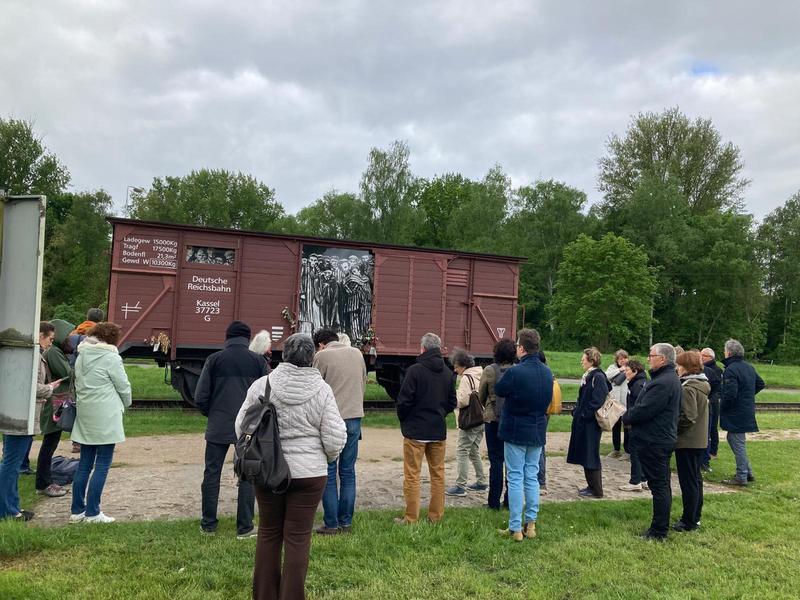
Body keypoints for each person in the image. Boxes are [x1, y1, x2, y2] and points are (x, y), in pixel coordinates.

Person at [236, 333, 346, 600]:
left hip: (267, 470)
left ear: (283, 355)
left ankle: (264, 595)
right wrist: (325, 458)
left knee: (269, 533)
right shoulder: (322, 390)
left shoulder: (262, 386)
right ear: (311, 358)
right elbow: (335, 437)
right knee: (298, 538)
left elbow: (242, 425)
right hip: (309, 475)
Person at [195, 320, 268, 537]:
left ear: (227, 337)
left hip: (218, 424)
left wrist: (213, 413)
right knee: (247, 474)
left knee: (212, 472)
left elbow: (200, 396)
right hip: (248, 427)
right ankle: (244, 526)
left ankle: (208, 524)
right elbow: (266, 395)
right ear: (247, 338)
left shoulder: (214, 360)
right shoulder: (258, 361)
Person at [69, 322, 132, 524]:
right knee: (103, 464)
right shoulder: (111, 357)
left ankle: (77, 510)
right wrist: (127, 402)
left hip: (86, 413)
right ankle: (93, 512)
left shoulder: (81, 355)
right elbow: (123, 385)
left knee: (85, 464)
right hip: (105, 414)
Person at [493, 329, 552, 541]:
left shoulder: (514, 372)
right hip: (537, 429)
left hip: (516, 429)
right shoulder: (547, 372)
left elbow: (499, 390)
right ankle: (531, 524)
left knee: (515, 477)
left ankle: (515, 527)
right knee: (532, 477)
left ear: (521, 348)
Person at [0, 322, 61, 521]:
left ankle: (12, 506)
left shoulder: (30, 355)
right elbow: (31, 386)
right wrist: (50, 388)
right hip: (23, 417)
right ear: (41, 336)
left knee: (12, 463)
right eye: (50, 339)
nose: (50, 344)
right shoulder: (33, 356)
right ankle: (7, 510)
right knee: (11, 464)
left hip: (20, 414)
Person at [394, 333, 457, 525]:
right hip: (437, 430)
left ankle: (411, 518)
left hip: (416, 430)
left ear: (423, 349)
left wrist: (406, 419)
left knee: (412, 475)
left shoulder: (415, 371)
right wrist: (439, 414)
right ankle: (435, 516)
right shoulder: (447, 373)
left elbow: (403, 401)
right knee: (438, 475)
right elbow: (451, 402)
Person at [622, 343, 682, 540]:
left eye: (651, 355)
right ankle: (659, 527)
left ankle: (658, 531)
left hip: (655, 440)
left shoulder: (663, 382)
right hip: (658, 438)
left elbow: (645, 409)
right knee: (660, 485)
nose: (648, 358)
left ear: (662, 359)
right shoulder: (666, 379)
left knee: (659, 486)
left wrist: (627, 416)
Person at [312, 328, 367, 535]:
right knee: (348, 472)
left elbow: (315, 388)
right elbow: (362, 384)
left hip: (331, 420)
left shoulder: (321, 356)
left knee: (328, 471)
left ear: (320, 344)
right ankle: (346, 522)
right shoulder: (356, 354)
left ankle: (331, 523)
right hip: (354, 418)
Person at [35, 318, 76, 493]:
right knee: (50, 443)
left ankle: (44, 480)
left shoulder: (54, 351)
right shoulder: (53, 352)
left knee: (51, 442)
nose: (70, 340)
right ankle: (43, 482)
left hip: (54, 400)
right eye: (67, 336)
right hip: (53, 402)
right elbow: (68, 373)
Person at [673, 350, 710, 532]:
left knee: (689, 482)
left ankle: (689, 520)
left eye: (679, 365)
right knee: (695, 480)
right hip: (699, 440)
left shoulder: (688, 388)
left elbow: (688, 416)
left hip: (688, 441)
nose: (677, 369)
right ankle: (695, 516)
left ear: (686, 367)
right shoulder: (701, 384)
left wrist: (674, 430)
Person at [719, 339, 765, 486]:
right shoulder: (749, 367)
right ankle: (747, 472)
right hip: (745, 409)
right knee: (735, 440)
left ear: (728, 353)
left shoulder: (731, 369)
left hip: (736, 412)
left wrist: (723, 408)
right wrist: (747, 396)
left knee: (737, 442)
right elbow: (760, 383)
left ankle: (742, 475)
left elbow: (730, 394)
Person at [567, 347, 610, 498]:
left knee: (590, 454)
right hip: (584, 422)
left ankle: (597, 490)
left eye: (583, 358)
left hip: (590, 423)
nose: (581, 361)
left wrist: (584, 414)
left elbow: (598, 399)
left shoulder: (597, 376)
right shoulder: (589, 375)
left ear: (592, 360)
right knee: (586, 454)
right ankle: (591, 486)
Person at [478, 339, 516, 510]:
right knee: (511, 462)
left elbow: (481, 395)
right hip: (511, 419)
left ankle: (493, 502)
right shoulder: (517, 370)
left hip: (492, 419)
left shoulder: (489, 370)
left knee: (496, 461)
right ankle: (509, 500)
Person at [446, 349, 487, 497]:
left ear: (463, 365)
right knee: (474, 450)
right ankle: (481, 481)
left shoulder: (465, 378)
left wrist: (453, 398)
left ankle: (460, 485)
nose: (455, 369)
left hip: (470, 421)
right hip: (481, 418)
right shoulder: (481, 374)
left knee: (462, 450)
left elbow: (462, 401)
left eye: (456, 366)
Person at [618, 360, 649, 492]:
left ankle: (635, 481)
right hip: (638, 423)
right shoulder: (638, 382)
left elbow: (638, 407)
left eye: (627, 370)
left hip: (637, 424)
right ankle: (643, 479)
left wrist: (629, 419)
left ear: (635, 371)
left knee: (635, 452)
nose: (625, 373)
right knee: (640, 453)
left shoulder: (637, 385)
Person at [700, 347, 723, 472]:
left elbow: (717, 390)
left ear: (710, 357)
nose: (701, 357)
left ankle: (710, 454)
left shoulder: (715, 371)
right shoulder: (701, 369)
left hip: (710, 405)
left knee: (710, 430)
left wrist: (711, 400)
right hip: (703, 405)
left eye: (704, 355)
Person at [605, 350, 630, 459]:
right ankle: (616, 449)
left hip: (626, 403)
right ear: (617, 360)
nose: (623, 360)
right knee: (615, 427)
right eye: (620, 358)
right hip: (615, 403)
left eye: (624, 358)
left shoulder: (631, 368)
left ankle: (628, 451)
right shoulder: (612, 368)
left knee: (627, 427)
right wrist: (619, 370)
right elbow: (606, 376)